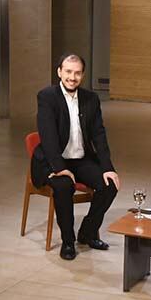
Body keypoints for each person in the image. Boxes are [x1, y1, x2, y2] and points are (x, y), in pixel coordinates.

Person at [32, 54, 121, 261]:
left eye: (77, 72)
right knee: (64, 186)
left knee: (110, 185)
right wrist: (59, 167)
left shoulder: (91, 98)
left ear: (82, 74)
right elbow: (48, 136)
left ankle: (87, 232)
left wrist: (108, 167)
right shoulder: (46, 97)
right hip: (53, 160)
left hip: (80, 159)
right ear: (59, 72)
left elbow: (99, 135)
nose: (72, 77)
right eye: (68, 72)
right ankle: (68, 241)